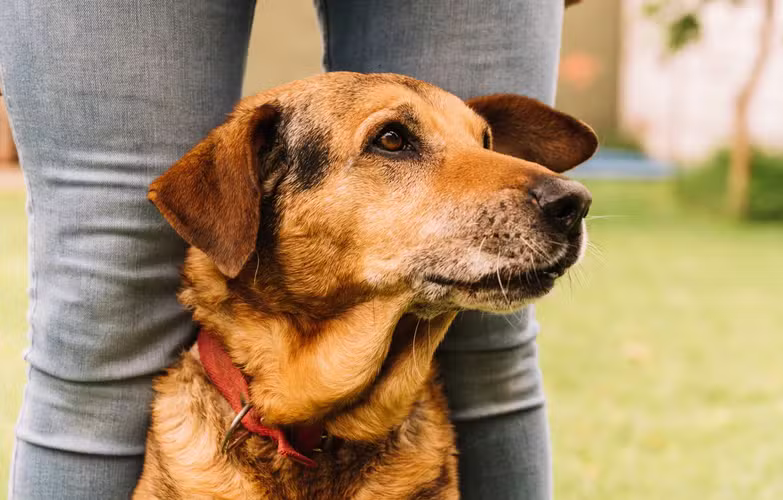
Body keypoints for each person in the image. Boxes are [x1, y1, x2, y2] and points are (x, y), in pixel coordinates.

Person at [0, 1, 566, 498]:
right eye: (392, 140)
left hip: (408, 458)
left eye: (481, 140)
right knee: (105, 309)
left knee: (489, 350)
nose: (554, 190)